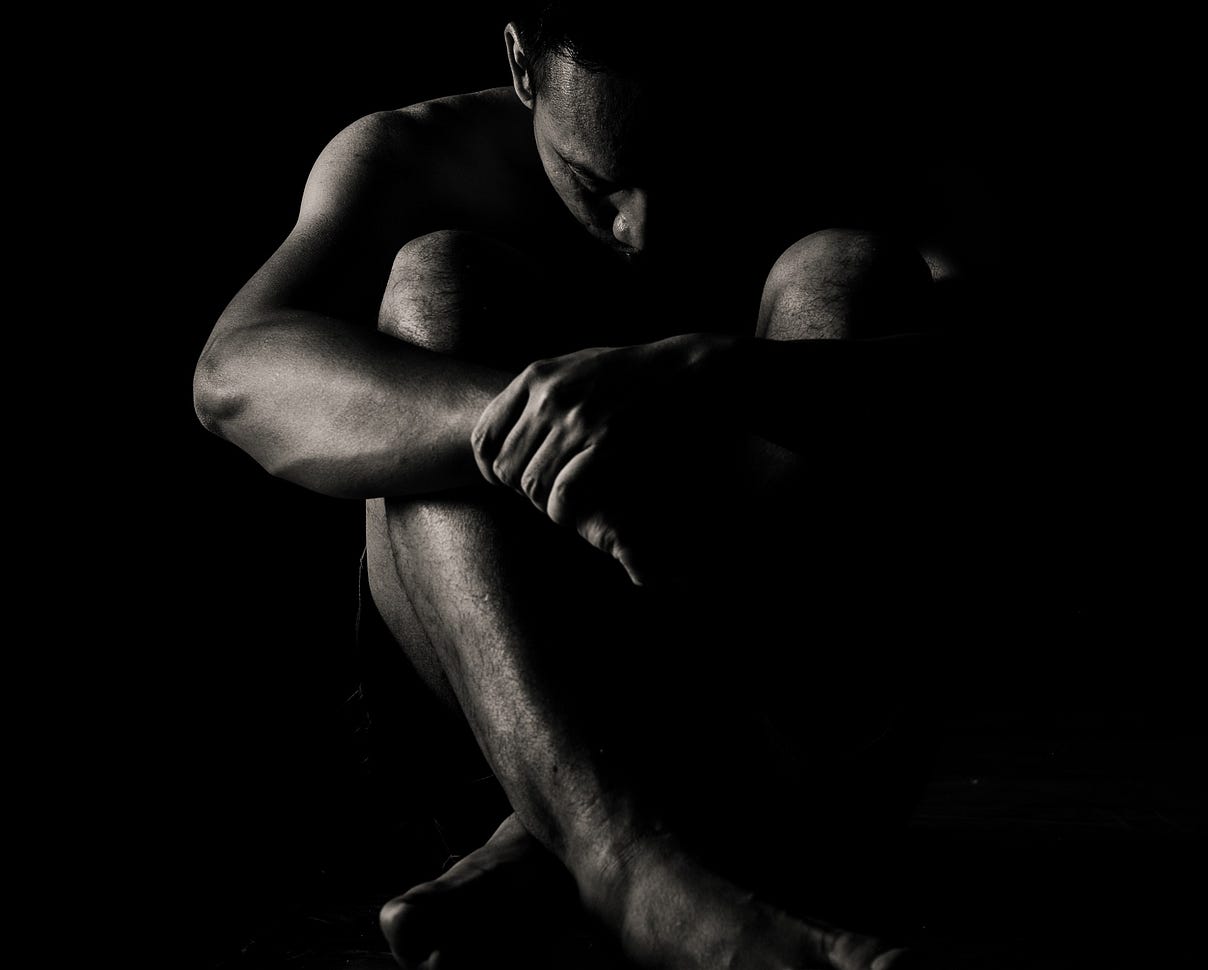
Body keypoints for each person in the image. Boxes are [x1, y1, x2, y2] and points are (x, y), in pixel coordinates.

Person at [195, 4, 981, 967]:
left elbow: (1037, 391)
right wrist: (530, 430)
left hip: (796, 715)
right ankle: (625, 864)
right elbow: (234, 377)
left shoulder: (855, 148)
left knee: (846, 273)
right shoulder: (418, 156)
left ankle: (564, 852)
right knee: (435, 284)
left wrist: (709, 379)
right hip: (489, 719)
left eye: (698, 168)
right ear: (523, 62)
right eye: (597, 183)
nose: (645, 230)